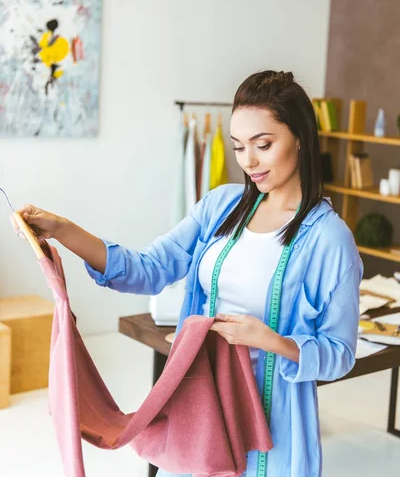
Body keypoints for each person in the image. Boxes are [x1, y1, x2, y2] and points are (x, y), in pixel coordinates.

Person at [13, 70, 363, 477]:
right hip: (203, 408)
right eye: (239, 147)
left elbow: (340, 354)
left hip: (275, 421)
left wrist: (271, 341)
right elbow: (148, 269)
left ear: (300, 137)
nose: (249, 161)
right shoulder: (221, 206)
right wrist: (62, 229)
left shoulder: (329, 239)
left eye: (263, 145)